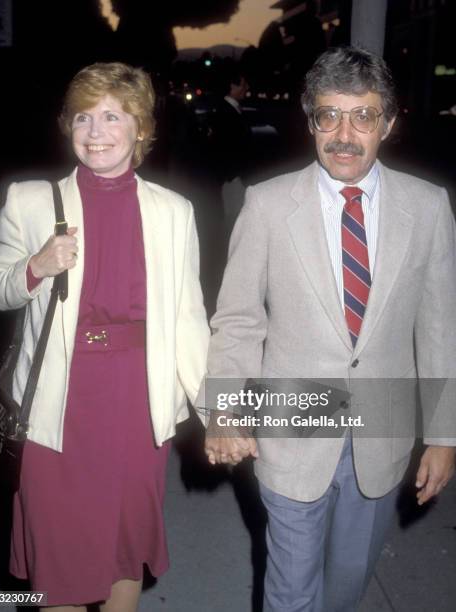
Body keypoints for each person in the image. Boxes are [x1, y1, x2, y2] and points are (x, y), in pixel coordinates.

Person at [202, 47, 456, 611]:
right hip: (291, 419)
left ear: (388, 123)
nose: (345, 133)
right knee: (292, 591)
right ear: (310, 119)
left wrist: (443, 435)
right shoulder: (266, 207)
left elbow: (440, 327)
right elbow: (239, 319)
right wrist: (223, 409)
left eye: (363, 116)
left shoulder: (429, 207)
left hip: (383, 424)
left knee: (346, 583)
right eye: (329, 115)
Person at [0, 62, 210, 611]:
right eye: (82, 117)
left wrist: (216, 408)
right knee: (54, 553)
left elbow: (188, 319)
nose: (95, 131)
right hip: (59, 402)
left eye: (112, 116)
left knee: (123, 545)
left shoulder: (174, 212)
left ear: (140, 128)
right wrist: (36, 266)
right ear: (67, 127)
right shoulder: (31, 200)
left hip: (137, 402)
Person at [211, 69, 252, 231]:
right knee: (235, 221)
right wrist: (233, 176)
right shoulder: (226, 112)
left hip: (235, 176)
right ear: (232, 87)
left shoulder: (230, 109)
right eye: (243, 84)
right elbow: (225, 146)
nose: (247, 87)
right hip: (232, 178)